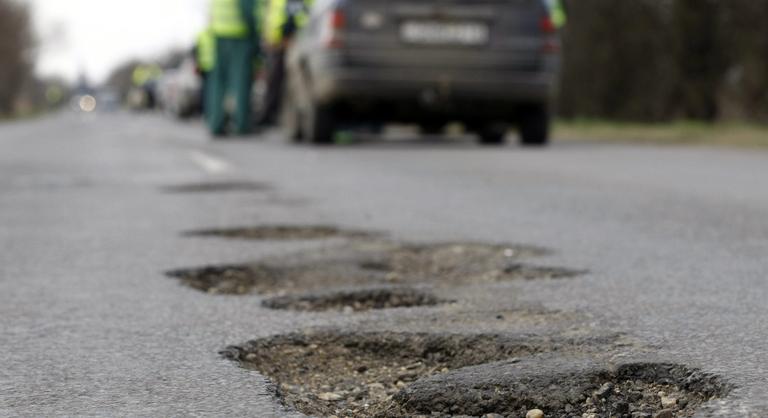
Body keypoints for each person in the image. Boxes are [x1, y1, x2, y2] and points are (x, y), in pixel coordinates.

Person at [208, 0, 261, 137]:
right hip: (240, 35)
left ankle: (216, 124)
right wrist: (255, 36)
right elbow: (248, 10)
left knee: (218, 84)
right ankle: (242, 124)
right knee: (241, 82)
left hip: (218, 34)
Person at [256, 0, 311, 127]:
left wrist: (287, 38)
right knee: (273, 80)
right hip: (275, 44)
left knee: (282, 81)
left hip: (286, 44)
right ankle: (271, 114)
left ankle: (276, 115)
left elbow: (295, 16)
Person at [195, 26, 216, 118]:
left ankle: (210, 112)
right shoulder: (203, 35)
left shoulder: (203, 35)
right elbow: (196, 52)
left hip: (213, 68)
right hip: (206, 68)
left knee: (210, 91)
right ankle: (206, 112)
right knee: (206, 91)